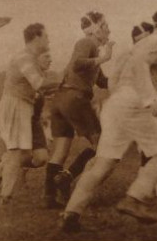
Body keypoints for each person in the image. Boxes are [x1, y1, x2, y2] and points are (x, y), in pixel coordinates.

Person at [60, 10, 157, 233]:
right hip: (133, 103)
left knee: (102, 165)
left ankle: (71, 212)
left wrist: (124, 97)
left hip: (115, 104)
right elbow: (140, 66)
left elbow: (114, 80)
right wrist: (150, 99)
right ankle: (134, 199)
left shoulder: (136, 47)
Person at [0, 24, 56, 205]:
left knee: (31, 156)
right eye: (46, 36)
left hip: (23, 106)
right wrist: (64, 83)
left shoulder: (31, 58)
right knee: (16, 153)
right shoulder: (24, 57)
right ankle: (4, 197)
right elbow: (39, 84)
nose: (48, 39)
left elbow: (39, 89)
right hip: (15, 105)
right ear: (36, 38)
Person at [44, 11, 112, 209]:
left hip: (62, 99)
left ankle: (49, 196)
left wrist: (126, 79)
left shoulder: (92, 50)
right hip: (74, 98)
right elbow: (78, 64)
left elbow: (102, 81)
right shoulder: (86, 43)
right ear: (96, 29)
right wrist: (105, 58)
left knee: (61, 151)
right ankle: (67, 177)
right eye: (105, 26)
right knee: (102, 143)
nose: (109, 30)